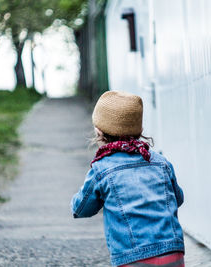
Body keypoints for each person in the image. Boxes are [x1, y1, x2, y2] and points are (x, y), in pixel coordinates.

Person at [70, 91, 185, 267]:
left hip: (133, 257)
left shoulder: (102, 168)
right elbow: (178, 198)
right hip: (173, 252)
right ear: (139, 130)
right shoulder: (161, 162)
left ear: (99, 131)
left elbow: (82, 208)